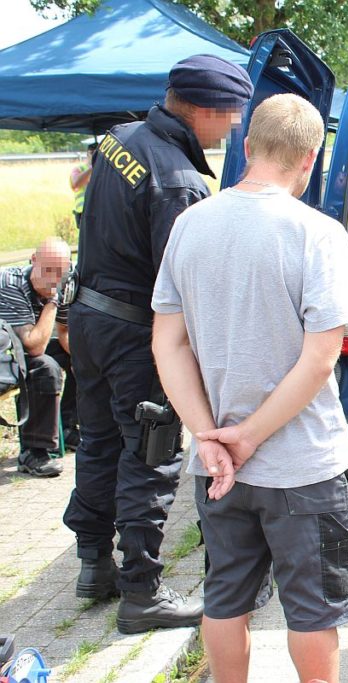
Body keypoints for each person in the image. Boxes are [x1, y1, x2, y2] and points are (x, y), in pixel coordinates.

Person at [152, 93, 348, 683]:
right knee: (313, 612)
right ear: (311, 157)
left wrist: (210, 436)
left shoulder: (188, 226)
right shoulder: (317, 233)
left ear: (246, 149)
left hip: (219, 469)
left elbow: (167, 345)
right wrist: (247, 436)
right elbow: (321, 359)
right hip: (305, 467)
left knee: (225, 600)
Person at [61, 54, 253, 633]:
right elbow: (184, 288)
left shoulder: (119, 139)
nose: (237, 126)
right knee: (152, 452)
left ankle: (93, 564)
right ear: (203, 110)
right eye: (233, 114)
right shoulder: (178, 183)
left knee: (96, 442)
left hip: (89, 320)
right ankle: (142, 591)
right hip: (134, 334)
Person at [0, 238, 74, 477]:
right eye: (48, 270)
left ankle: (69, 426)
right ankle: (35, 452)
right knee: (45, 367)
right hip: (7, 352)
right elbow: (34, 347)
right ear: (33, 261)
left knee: (83, 359)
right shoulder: (11, 283)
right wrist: (53, 300)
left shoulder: (66, 279)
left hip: (24, 348)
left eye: (60, 273)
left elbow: (64, 331)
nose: (54, 279)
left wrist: (86, 361)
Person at [70, 143, 97, 229]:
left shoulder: (103, 169)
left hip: (98, 212)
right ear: (88, 153)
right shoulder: (79, 169)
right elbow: (75, 184)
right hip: (83, 212)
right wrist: (92, 167)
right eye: (93, 153)